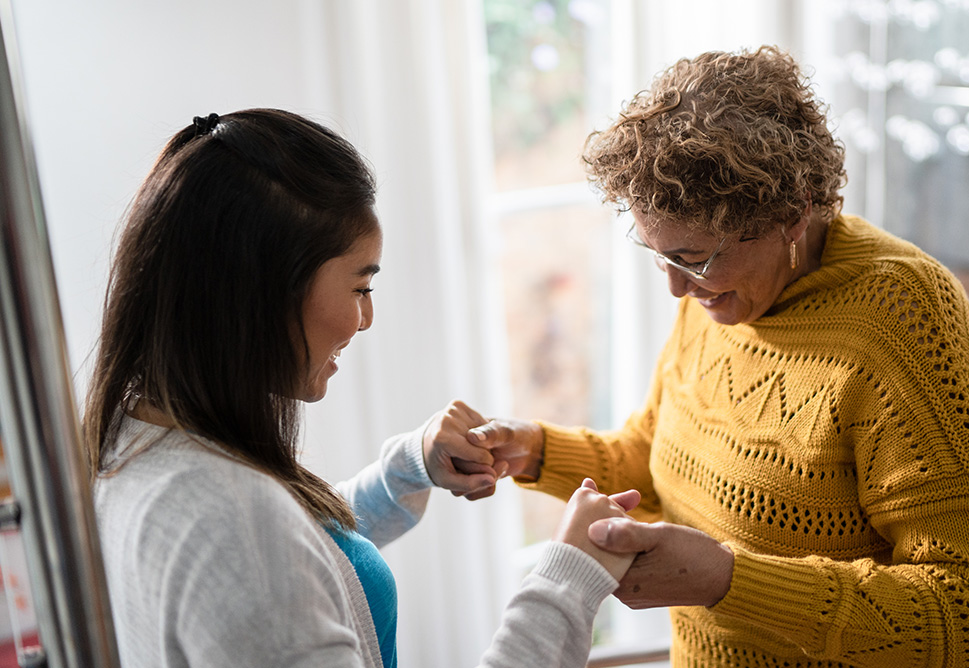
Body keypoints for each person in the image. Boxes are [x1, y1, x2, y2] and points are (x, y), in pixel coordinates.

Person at [450, 47, 969, 667]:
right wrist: (534, 450)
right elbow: (655, 457)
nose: (675, 287)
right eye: (658, 254)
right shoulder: (718, 294)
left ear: (792, 214)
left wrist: (727, 580)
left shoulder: (904, 314)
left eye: (693, 258)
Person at [83, 108, 638, 668]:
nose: (364, 319)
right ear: (267, 293)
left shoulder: (133, 438)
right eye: (359, 286)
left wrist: (405, 470)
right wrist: (568, 582)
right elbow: (265, 556)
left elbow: (299, 565)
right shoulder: (239, 526)